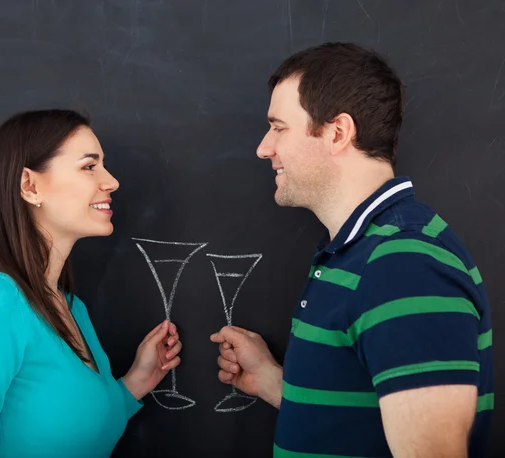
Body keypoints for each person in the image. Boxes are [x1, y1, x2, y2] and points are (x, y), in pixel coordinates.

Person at [211, 42, 493, 457]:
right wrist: (274, 383)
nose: (264, 147)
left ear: (337, 132)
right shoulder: (360, 253)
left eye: (279, 127)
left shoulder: (404, 265)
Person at [0, 109, 182, 457]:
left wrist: (136, 381)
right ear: (30, 186)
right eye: (89, 166)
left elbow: (75, 430)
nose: (111, 181)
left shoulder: (71, 307)